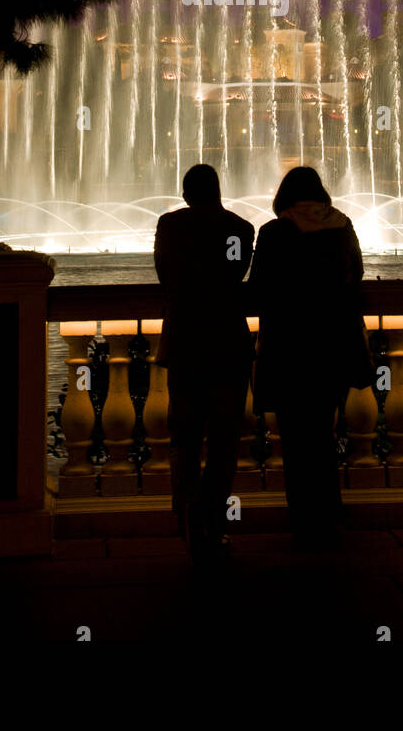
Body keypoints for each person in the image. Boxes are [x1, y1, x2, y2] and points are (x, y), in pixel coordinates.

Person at [250, 166, 373, 550]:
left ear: (284, 196)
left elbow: (257, 291)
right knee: (323, 433)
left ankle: (304, 521)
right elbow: (357, 274)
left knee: (296, 441)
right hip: (334, 346)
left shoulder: (274, 232)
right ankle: (330, 516)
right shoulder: (343, 226)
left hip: (290, 348)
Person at [153, 164, 254, 560]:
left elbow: (166, 275)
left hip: (185, 342)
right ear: (218, 190)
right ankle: (214, 523)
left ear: (185, 194)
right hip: (228, 341)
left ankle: (189, 520)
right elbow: (234, 275)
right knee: (225, 440)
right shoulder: (242, 228)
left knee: (186, 436)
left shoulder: (170, 226)